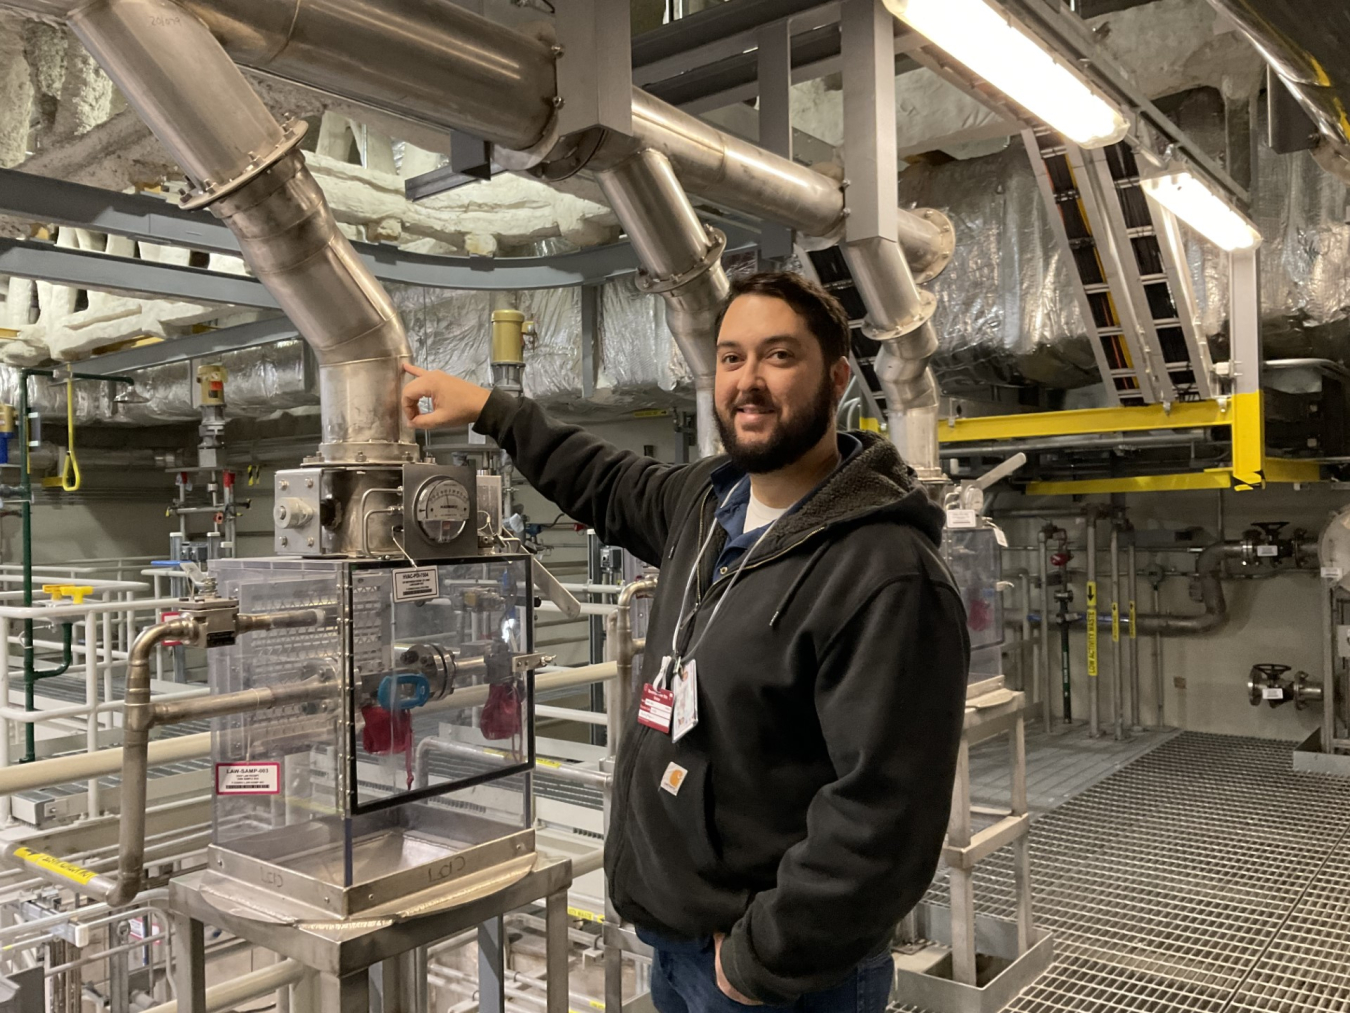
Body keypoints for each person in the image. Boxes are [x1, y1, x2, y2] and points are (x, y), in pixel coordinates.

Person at [402, 272, 969, 1013]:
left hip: (775, 979)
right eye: (731, 358)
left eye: (778, 357)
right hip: (677, 948)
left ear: (836, 380)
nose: (749, 382)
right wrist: (489, 408)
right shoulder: (709, 503)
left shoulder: (885, 572)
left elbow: (882, 820)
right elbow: (603, 479)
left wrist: (757, 959)